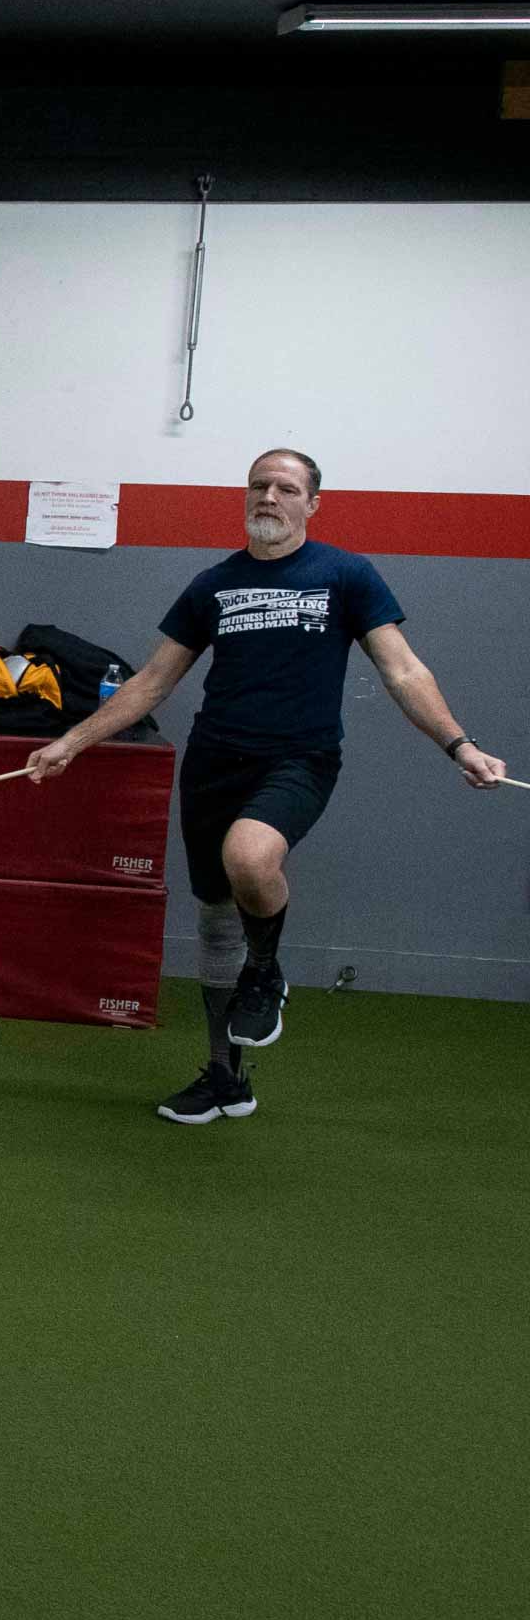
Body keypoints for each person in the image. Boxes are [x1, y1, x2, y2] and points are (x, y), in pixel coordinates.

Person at [26, 448, 506, 1124]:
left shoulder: (345, 574)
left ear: (312, 503)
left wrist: (459, 743)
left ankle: (268, 968)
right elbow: (153, 681)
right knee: (217, 922)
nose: (269, 497)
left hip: (297, 760)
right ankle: (226, 1078)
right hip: (214, 763)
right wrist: (71, 742)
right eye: (259, 485)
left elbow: (402, 671)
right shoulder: (213, 584)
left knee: (250, 859)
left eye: (287, 487)